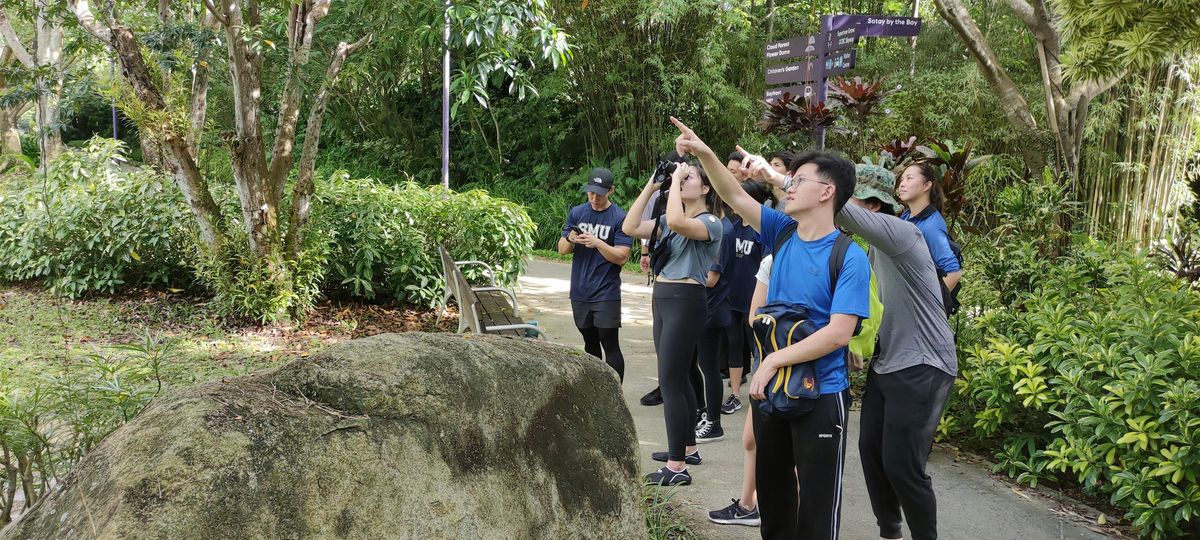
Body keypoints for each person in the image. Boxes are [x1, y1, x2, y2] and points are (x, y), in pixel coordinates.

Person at [673, 117, 870, 539]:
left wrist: (773, 360)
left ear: (827, 192)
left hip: (821, 395)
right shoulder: (782, 232)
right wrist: (704, 152)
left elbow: (839, 333)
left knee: (816, 512)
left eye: (798, 180)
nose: (788, 186)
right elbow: (732, 194)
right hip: (771, 393)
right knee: (775, 503)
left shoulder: (849, 257)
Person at [746, 155, 957, 540]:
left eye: (854, 200)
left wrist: (777, 178)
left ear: (873, 208)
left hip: (925, 362)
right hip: (890, 359)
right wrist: (854, 342)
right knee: (871, 452)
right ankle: (890, 532)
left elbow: (835, 210)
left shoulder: (904, 234)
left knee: (902, 464)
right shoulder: (872, 248)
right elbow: (870, 307)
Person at [624, 159, 724, 486]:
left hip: (685, 301)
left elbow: (680, 222)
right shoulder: (669, 218)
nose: (680, 179)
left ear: (705, 188)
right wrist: (653, 185)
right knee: (678, 380)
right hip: (664, 299)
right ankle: (688, 448)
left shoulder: (711, 222)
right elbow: (630, 227)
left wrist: (676, 177)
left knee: (669, 382)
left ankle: (677, 467)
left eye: (689, 176)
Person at [707, 251, 772, 528]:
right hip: (767, 363)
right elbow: (755, 317)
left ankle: (794, 518)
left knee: (793, 450)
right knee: (750, 438)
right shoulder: (773, 261)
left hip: (802, 373)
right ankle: (747, 506)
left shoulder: (834, 257)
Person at [557, 167, 633, 381]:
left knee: (610, 343)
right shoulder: (577, 213)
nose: (594, 198)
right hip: (580, 291)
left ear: (611, 191)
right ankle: (596, 390)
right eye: (591, 192)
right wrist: (571, 239)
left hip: (606, 292)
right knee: (589, 343)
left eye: (599, 194)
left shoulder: (620, 218)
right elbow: (562, 250)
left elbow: (622, 257)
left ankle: (615, 393)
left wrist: (598, 243)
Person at [720, 180, 773, 415]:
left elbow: (768, 269)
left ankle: (761, 392)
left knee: (758, 348)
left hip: (755, 303)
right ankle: (735, 394)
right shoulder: (732, 227)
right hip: (732, 299)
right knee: (734, 346)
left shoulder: (764, 232)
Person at [896, 163, 961, 293]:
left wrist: (930, 302)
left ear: (926, 185)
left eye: (909, 178)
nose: (902, 184)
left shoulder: (931, 224)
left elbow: (953, 272)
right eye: (902, 179)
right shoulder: (906, 215)